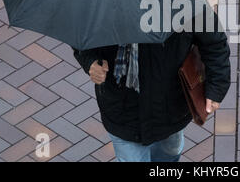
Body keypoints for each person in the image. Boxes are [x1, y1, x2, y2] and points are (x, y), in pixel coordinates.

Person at [72, 11, 231, 162]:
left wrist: (217, 88)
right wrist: (90, 61)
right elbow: (78, 35)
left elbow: (214, 43)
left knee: (170, 154)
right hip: (122, 112)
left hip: (171, 111)